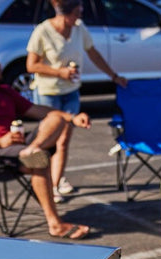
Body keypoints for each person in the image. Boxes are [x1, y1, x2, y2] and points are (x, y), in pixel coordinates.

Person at [0, 44, 93, 240]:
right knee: (39, 161)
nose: (0, 66)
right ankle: (55, 224)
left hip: (19, 148)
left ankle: (32, 149)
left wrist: (72, 118)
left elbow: (38, 111)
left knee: (57, 119)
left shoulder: (4, 91)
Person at [26, 0, 126, 203]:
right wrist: (58, 72)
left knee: (63, 141)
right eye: (77, 13)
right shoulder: (43, 31)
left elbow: (93, 54)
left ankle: (55, 184)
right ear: (65, 14)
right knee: (47, 143)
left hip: (71, 92)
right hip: (48, 94)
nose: (80, 17)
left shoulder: (80, 29)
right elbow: (31, 65)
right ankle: (40, 181)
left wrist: (114, 76)